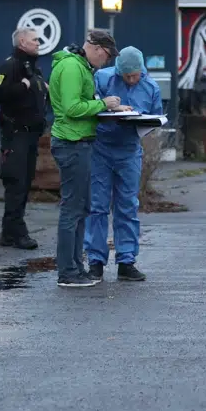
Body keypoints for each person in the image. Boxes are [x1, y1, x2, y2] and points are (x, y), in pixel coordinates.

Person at [49, 29, 126, 288]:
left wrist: (107, 106)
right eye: (105, 55)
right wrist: (104, 105)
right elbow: (72, 108)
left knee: (80, 208)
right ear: (93, 47)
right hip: (72, 142)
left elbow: (81, 103)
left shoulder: (80, 65)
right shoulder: (72, 68)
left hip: (78, 142)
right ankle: (67, 271)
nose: (105, 61)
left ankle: (74, 267)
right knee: (73, 209)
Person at [84, 46, 164, 282]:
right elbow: (90, 106)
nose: (130, 80)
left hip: (129, 151)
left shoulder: (151, 87)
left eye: (134, 75)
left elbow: (155, 118)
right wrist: (110, 108)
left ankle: (126, 260)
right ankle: (95, 261)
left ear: (142, 71)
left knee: (127, 206)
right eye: (126, 76)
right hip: (101, 148)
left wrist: (142, 123)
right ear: (118, 72)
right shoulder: (103, 78)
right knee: (97, 205)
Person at [0, 26, 49, 249]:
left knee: (24, 183)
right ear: (22, 42)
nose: (38, 43)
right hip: (15, 134)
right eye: (34, 39)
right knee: (16, 182)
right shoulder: (11, 65)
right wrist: (20, 87)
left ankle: (9, 232)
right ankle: (18, 233)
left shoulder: (33, 69)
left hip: (31, 134)